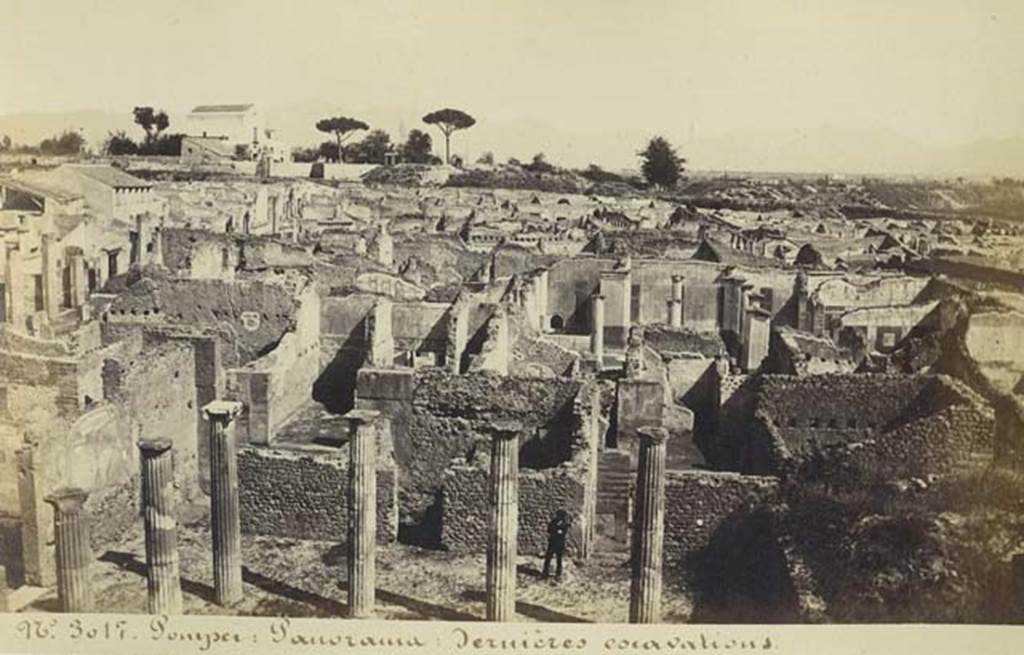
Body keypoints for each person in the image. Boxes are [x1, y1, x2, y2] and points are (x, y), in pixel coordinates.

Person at [542, 510, 570, 581]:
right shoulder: (553, 522)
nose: (559, 517)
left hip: (559, 544)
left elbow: (563, 532)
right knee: (548, 558)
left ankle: (558, 574)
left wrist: (556, 531)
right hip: (552, 543)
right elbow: (549, 530)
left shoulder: (564, 524)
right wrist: (557, 531)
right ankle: (545, 573)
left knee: (559, 560)